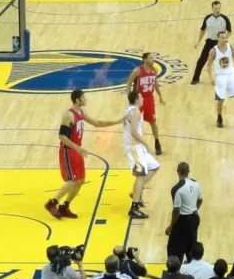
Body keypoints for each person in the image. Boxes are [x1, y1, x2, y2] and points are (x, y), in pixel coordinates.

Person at [45, 89, 121, 219]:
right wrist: (77, 148)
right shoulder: (68, 115)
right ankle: (52, 203)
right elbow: (62, 136)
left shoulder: (81, 113)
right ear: (77, 100)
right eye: (83, 98)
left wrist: (117, 121)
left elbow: (97, 123)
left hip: (77, 150)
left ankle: (65, 206)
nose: (86, 100)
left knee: (80, 180)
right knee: (73, 180)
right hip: (68, 150)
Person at [124, 91, 160, 219]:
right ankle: (134, 207)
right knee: (141, 174)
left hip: (137, 147)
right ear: (136, 99)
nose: (143, 98)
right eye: (140, 96)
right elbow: (133, 132)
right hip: (134, 147)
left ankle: (135, 192)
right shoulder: (135, 112)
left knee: (154, 166)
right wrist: (146, 144)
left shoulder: (130, 110)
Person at [206, 31, 234, 128]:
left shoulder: (231, 48)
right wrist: (211, 77)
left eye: (225, 38)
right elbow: (208, 65)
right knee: (220, 99)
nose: (224, 39)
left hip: (231, 74)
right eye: (222, 38)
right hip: (220, 76)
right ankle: (219, 118)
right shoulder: (213, 51)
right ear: (218, 38)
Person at [126, 52, 165, 155]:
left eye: (153, 58)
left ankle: (157, 143)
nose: (153, 60)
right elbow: (129, 83)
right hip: (139, 99)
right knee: (135, 123)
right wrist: (130, 96)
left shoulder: (155, 70)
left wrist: (160, 96)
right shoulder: (137, 71)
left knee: (153, 122)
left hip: (149, 99)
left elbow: (155, 83)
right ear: (145, 60)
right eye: (151, 58)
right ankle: (134, 144)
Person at [165, 162, 202, 262]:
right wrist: (194, 209)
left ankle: (175, 268)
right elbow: (200, 200)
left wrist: (171, 226)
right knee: (191, 244)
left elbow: (176, 210)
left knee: (174, 247)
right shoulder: (196, 183)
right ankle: (192, 265)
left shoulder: (176, 189)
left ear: (177, 172)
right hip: (195, 217)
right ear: (188, 171)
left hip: (183, 220)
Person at [191, 1, 231, 85]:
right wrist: (198, 41)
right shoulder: (207, 18)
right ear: (212, 8)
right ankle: (195, 78)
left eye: (219, 8)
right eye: (215, 8)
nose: (217, 10)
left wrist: (225, 38)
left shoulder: (225, 19)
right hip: (210, 42)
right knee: (201, 60)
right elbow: (202, 30)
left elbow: (230, 31)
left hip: (220, 43)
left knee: (223, 62)